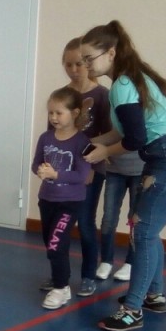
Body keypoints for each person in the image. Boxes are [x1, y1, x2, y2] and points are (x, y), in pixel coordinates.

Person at [81, 20, 166, 331]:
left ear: (111, 53)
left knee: (144, 231)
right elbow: (121, 132)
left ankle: (132, 311)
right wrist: (91, 143)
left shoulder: (122, 85)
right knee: (147, 228)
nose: (86, 66)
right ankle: (154, 296)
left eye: (89, 59)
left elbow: (134, 140)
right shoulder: (128, 79)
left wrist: (104, 152)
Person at [55, 38, 112, 297]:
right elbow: (53, 133)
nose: (74, 69)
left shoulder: (101, 96)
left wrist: (90, 167)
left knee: (86, 223)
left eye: (78, 63)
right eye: (68, 64)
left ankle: (88, 275)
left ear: (88, 63)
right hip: (63, 171)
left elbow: (107, 135)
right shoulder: (62, 95)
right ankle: (60, 277)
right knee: (61, 224)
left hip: (89, 170)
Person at [32, 86, 92, 310]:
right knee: (51, 243)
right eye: (51, 113)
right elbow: (36, 163)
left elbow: (82, 176)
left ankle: (60, 287)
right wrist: (41, 170)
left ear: (74, 113)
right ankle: (61, 282)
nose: (54, 117)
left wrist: (56, 174)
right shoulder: (45, 137)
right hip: (47, 199)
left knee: (56, 244)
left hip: (69, 203)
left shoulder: (81, 142)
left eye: (59, 113)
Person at [97, 125, 144, 283]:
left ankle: (131, 263)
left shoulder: (144, 113)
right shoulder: (113, 112)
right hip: (114, 169)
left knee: (134, 219)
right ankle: (106, 261)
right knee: (108, 217)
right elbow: (108, 133)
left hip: (140, 170)